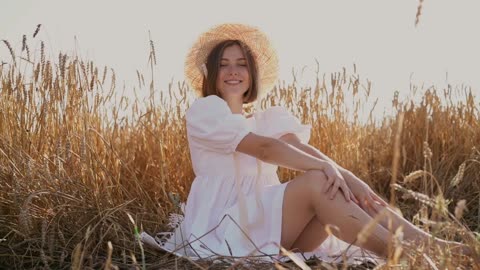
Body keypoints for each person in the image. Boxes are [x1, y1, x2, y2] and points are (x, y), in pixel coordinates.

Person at [141, 23, 472, 264]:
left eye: (242, 64)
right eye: (224, 64)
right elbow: (266, 150)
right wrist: (325, 169)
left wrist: (351, 180)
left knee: (335, 184)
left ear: (252, 74)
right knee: (318, 180)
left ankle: (437, 246)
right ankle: (412, 257)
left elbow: (302, 150)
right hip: (228, 226)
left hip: (275, 229)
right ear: (210, 73)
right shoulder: (206, 111)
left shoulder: (265, 118)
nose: (233, 71)